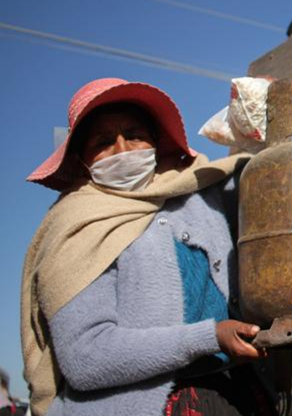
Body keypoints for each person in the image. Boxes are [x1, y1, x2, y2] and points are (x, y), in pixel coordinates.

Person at [21, 78, 272, 416]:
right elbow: (85, 357)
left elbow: (269, 185)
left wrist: (265, 105)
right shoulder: (75, 227)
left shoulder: (199, 192)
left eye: (135, 135)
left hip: (235, 395)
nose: (123, 150)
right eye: (103, 141)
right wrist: (209, 337)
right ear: (82, 158)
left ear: (156, 143)